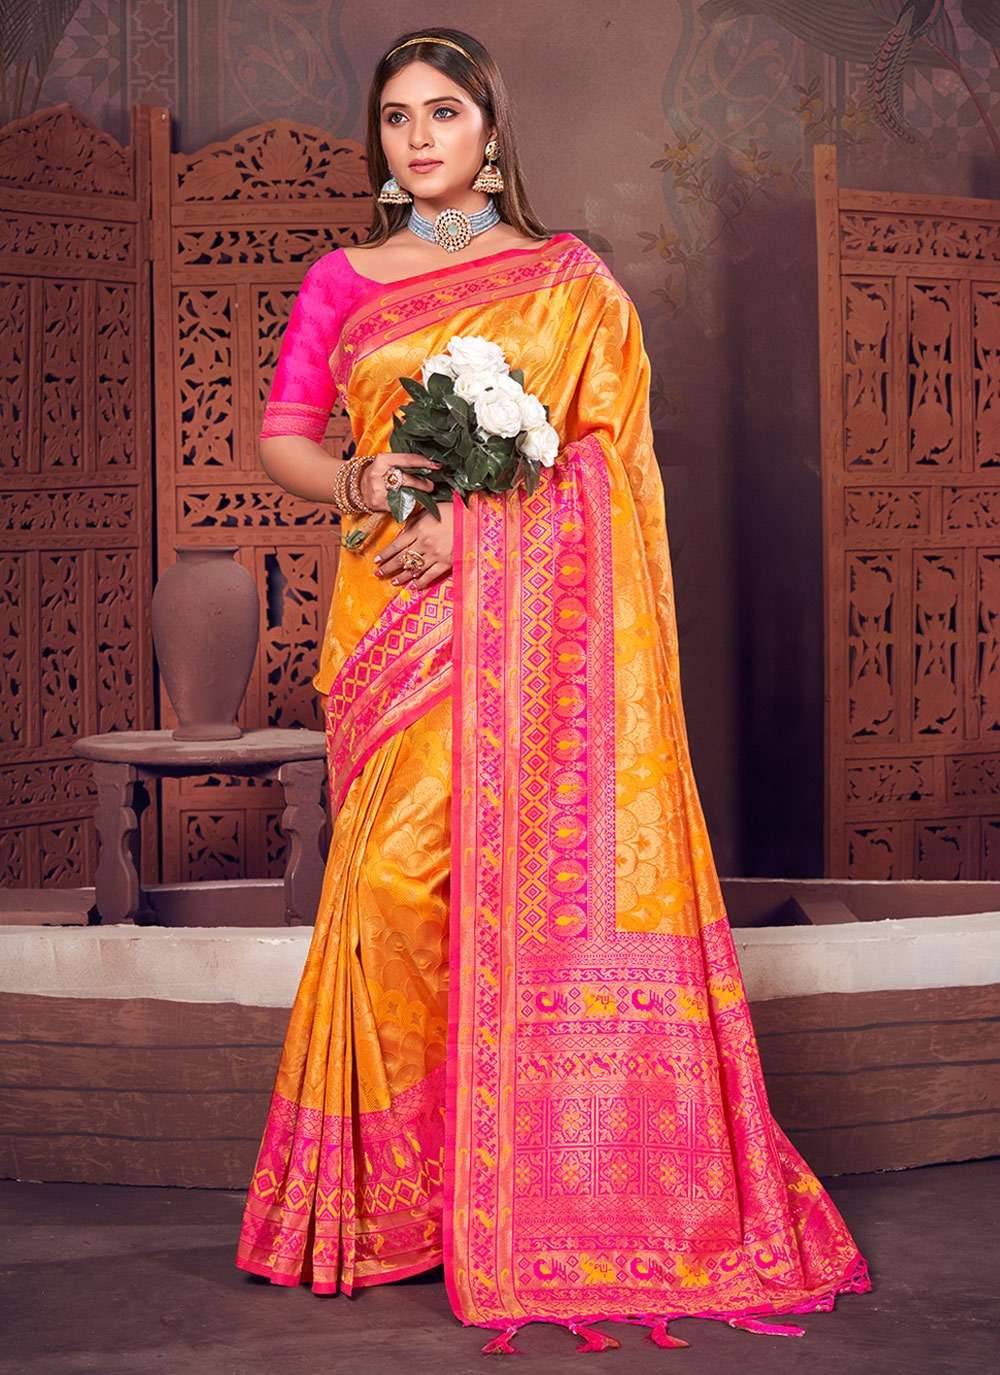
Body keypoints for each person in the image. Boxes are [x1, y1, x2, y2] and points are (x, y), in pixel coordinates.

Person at [234, 26, 872, 1355]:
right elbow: (286, 436)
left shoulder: (567, 280)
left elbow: (614, 468)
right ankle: (402, 1205)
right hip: (391, 625)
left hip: (527, 639)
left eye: (444, 113)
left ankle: (525, 1189)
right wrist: (359, 480)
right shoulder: (344, 276)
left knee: (495, 884)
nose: (419, 138)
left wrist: (478, 532)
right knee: (391, 894)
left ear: (490, 132)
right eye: (398, 116)